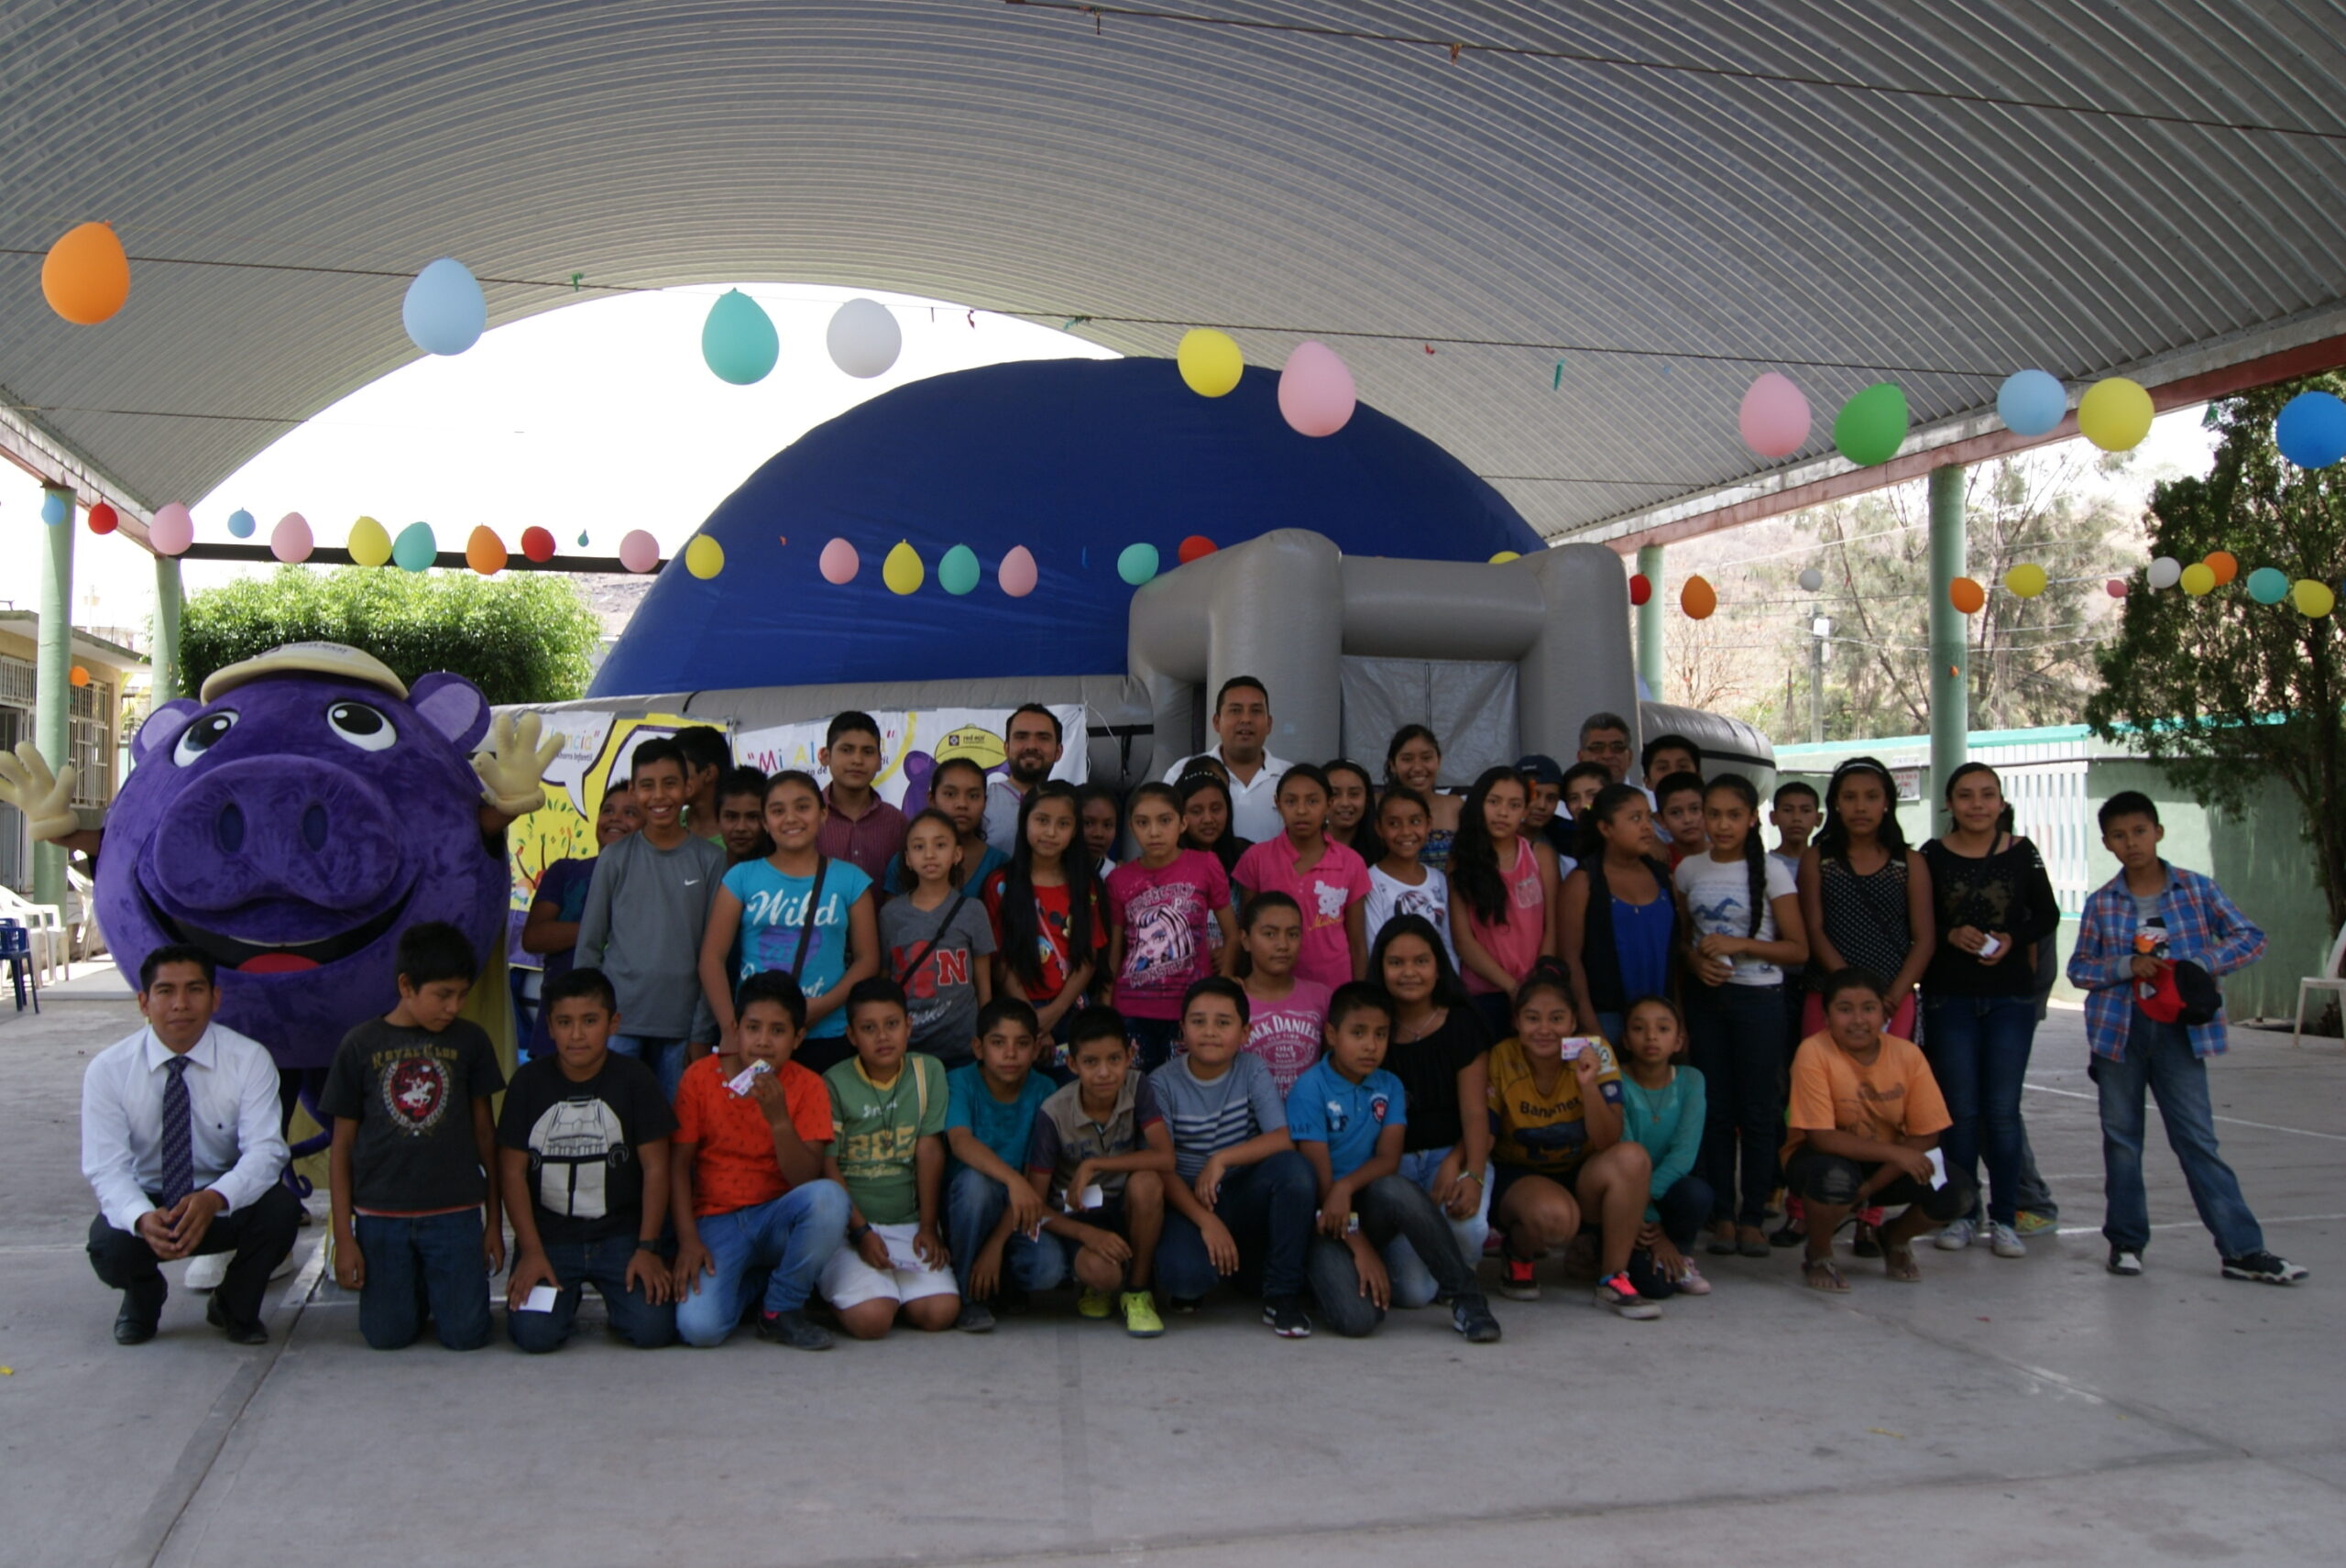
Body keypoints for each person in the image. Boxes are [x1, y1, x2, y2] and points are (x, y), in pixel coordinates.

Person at [2068, 793, 2306, 1285]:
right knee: (2122, 1141)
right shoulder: (2102, 903)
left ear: (2158, 832)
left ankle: (2242, 1250)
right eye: (2119, 836)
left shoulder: (2196, 890)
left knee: (2197, 1139)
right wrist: (2125, 965)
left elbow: (2250, 937)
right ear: (2107, 844)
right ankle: (2126, 1243)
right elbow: (2079, 969)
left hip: (2181, 1033)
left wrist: (2199, 964)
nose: (2131, 843)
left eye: (2139, 831)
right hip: (2119, 1033)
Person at [82, 945, 301, 1346]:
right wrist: (139, 1217)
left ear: (215, 998)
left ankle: (234, 1305)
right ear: (143, 1002)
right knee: (108, 1245)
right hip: (151, 1199)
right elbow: (106, 1167)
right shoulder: (108, 1070)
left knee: (280, 1212)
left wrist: (214, 1198)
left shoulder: (249, 1059)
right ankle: (144, 1297)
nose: (180, 1004)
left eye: (195, 990)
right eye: (165, 991)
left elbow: (266, 1152)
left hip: (220, 1198)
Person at [323, 921, 505, 1351]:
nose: (454, 1007)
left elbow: (486, 1136)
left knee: (466, 1336)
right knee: (387, 1336)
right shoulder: (359, 1045)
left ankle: (437, 1287)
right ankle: (414, 1289)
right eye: (443, 994)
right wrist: (345, 1238)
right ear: (406, 986)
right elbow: (341, 1148)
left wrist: (494, 1225)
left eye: (462, 995)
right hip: (381, 1218)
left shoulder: (471, 1042)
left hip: (455, 1216)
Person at [1287, 982, 1503, 1342]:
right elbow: (1323, 1187)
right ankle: (1326, 1277)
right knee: (1359, 1320)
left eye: (1381, 1034)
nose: (1371, 1045)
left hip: (1363, 1203)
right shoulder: (1310, 1088)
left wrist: (1346, 1186)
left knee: (1396, 1189)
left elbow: (1388, 1159)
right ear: (1332, 1035)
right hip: (1323, 1220)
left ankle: (1467, 1299)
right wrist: (1360, 1247)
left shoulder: (1389, 1086)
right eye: (1358, 1033)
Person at [1919, 762, 2060, 1258]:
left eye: (1986, 794)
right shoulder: (1931, 855)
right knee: (1959, 1112)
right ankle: (1962, 1213)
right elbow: (1919, 919)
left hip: (2010, 999)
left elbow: (2048, 914)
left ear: (2001, 802)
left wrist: (2011, 938)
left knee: (2002, 1112)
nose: (1976, 804)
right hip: (1949, 997)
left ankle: (2005, 1218)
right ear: (1949, 803)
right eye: (1965, 795)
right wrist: (1949, 934)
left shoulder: (2023, 852)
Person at [500, 967, 678, 1353]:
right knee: (535, 1336)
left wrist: (647, 1247)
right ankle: (563, 1296)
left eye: (590, 1021)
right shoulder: (528, 1083)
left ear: (613, 1023)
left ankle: (616, 1298)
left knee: (652, 1329)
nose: (577, 1035)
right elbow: (511, 1173)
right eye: (565, 1022)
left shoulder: (635, 1079)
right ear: (549, 1026)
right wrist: (530, 1251)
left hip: (620, 1236)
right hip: (550, 1239)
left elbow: (657, 1167)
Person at [668, 971, 849, 1350]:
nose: (764, 1041)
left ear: (798, 1038)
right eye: (753, 1028)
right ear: (735, 1030)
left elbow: (805, 1179)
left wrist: (779, 1120)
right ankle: (757, 1285)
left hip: (777, 1218)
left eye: (778, 1031)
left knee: (830, 1199)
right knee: (700, 1329)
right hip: (716, 1221)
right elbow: (678, 1165)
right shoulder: (699, 1079)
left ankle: (780, 1308)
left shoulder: (808, 1085)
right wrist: (687, 1240)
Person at [1676, 774, 1806, 1259]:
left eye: (1734, 815)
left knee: (1757, 1111)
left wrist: (1740, 945)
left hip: (1760, 1002)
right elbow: (1682, 941)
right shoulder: (1689, 869)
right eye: (1713, 814)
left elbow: (1798, 949)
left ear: (1752, 819)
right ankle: (1722, 1217)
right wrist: (1696, 962)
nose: (1722, 824)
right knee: (1714, 1109)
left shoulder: (1772, 871)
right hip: (1707, 1003)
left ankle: (1753, 1215)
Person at [1782, 967, 1973, 1292]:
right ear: (1826, 1017)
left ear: (1885, 1013)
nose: (1858, 1020)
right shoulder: (1813, 1052)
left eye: (1868, 1008)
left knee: (1959, 1192)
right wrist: (1896, 1154)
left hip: (1887, 1166)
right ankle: (1818, 1252)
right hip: (1823, 1157)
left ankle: (1894, 1237)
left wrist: (1871, 1186)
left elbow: (1927, 1133)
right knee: (1834, 1180)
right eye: (1845, 1009)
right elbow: (1821, 1137)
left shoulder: (1908, 1054)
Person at [1484, 965, 1658, 1318]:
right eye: (1532, 1018)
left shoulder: (1596, 1051)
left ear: (1574, 1022)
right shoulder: (1502, 1056)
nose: (1544, 1029)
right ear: (1516, 1022)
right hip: (1520, 1174)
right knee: (1556, 1218)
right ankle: (1518, 1253)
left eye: (1557, 1018)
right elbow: (1486, 1133)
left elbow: (1608, 1139)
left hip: (1581, 1171)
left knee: (1633, 1158)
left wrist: (1587, 1086)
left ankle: (1613, 1278)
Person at [1151, 978, 1319, 1333]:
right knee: (1185, 1282)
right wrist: (1206, 1221)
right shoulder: (1161, 1083)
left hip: (1242, 1191)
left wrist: (1221, 1159)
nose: (1210, 1032)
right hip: (1189, 1199)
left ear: (1245, 1033)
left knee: (1295, 1170)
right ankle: (1219, 1262)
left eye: (1223, 1022)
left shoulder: (1251, 1068)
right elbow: (1162, 1168)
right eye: (1198, 1021)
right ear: (1182, 1029)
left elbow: (1282, 1139)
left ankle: (1281, 1296)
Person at [700, 770, 880, 1077]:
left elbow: (868, 959)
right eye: (777, 810)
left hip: (826, 1032)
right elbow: (711, 959)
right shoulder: (740, 878)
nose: (791, 818)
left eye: (802, 807)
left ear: (823, 814)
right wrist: (731, 1028)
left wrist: (820, 1007)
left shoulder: (850, 880)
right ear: (765, 822)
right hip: (756, 1035)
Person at [573, 736, 724, 1098]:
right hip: (618, 1022)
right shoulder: (614, 858)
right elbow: (589, 945)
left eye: (670, 784)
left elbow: (713, 954)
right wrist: (588, 1018)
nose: (659, 796)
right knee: (614, 1116)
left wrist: (701, 1030)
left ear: (687, 787)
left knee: (674, 1121)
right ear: (633, 790)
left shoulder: (710, 860)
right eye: (647, 785)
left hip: (681, 1027)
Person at [818, 978, 960, 1336]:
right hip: (851, 1228)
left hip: (907, 1223)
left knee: (941, 1313)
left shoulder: (928, 1071)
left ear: (908, 1026)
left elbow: (929, 1148)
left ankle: (888, 1291)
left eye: (892, 1024)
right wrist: (862, 1233)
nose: (882, 1036)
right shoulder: (833, 1082)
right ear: (851, 1036)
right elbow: (827, 1164)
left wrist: (928, 1226)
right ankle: (854, 1294)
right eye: (868, 1028)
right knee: (872, 1320)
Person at [1368, 916, 1494, 1310]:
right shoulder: (1371, 1029)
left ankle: (1459, 1270)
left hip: (1452, 1155)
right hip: (1395, 1170)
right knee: (1413, 1293)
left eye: (1420, 961)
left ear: (1439, 967)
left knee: (1469, 1229)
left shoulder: (1462, 1022)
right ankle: (1435, 1269)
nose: (1409, 972)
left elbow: (1476, 1112)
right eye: (1396, 962)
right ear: (1380, 968)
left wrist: (1469, 1171)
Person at [1026, 1007, 1173, 1335]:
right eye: (1091, 1062)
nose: (1104, 1073)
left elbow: (1165, 1158)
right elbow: (1036, 1205)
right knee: (1103, 1274)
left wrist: (1094, 1164)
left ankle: (1137, 1291)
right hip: (1076, 1216)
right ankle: (1098, 1283)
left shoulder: (1137, 1086)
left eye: (1114, 1059)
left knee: (1148, 1183)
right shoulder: (1054, 1112)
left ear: (1129, 1056)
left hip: (1123, 1207)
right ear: (1072, 1064)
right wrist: (1086, 1235)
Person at [940, 998, 1062, 1332]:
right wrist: (1013, 1180)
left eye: (1021, 1044)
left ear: (1036, 1049)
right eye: (998, 1043)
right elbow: (960, 1141)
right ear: (978, 1048)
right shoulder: (960, 1081)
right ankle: (967, 1296)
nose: (1010, 1054)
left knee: (1049, 1267)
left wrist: (995, 1245)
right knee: (977, 1186)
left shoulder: (1044, 1090)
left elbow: (1034, 1180)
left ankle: (1000, 1281)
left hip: (1018, 1212)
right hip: (965, 1211)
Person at [1798, 756, 1933, 1041]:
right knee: (1822, 1068)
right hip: (1827, 992)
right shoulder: (1817, 860)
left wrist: (1892, 996)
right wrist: (1854, 991)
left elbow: (1924, 939)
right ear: (1835, 803)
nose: (1860, 807)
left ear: (1886, 803)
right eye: (1849, 797)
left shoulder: (1909, 863)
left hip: (1892, 997)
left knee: (1889, 1070)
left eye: (1871, 797)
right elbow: (1813, 930)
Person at [1105, 783, 1238, 1069]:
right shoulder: (1118, 879)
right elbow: (1115, 952)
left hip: (1191, 1007)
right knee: (1136, 1088)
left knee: (1185, 1085)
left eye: (1164, 820)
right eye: (1143, 822)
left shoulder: (1205, 865)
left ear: (1182, 823)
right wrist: (1105, 1008)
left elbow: (1231, 934)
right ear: (1131, 827)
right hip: (1132, 1009)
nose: (1154, 832)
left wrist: (1222, 987)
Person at [520, 782, 641, 1059]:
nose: (615, 818)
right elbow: (533, 937)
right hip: (560, 1023)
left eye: (630, 813)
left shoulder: (654, 881)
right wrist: (602, 928)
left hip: (627, 1024)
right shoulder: (565, 871)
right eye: (608, 810)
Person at [984, 780, 1107, 1048]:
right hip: (1018, 1010)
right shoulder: (1000, 884)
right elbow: (999, 960)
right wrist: (1032, 1018)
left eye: (1063, 824)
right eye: (1042, 820)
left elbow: (1089, 957)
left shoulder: (1085, 885)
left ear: (1074, 831)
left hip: (1071, 1008)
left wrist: (1055, 1011)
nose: (1051, 832)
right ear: (1024, 821)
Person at [1559, 784, 1679, 1046]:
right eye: (1635, 818)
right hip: (1607, 1018)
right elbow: (1570, 959)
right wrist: (1592, 1027)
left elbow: (1676, 952)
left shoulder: (1662, 877)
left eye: (1648, 817)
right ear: (1606, 828)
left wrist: (1678, 1020)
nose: (1646, 827)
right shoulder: (1583, 882)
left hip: (1662, 1019)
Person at [1449, 765, 1563, 1037]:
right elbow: (1463, 940)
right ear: (1479, 805)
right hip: (1485, 993)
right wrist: (1512, 988)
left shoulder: (1540, 855)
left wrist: (1538, 983)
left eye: (1514, 805)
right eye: (1494, 802)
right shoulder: (1461, 860)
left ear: (1524, 811)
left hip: (1537, 990)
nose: (1503, 813)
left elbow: (1552, 927)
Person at [1233, 764, 1370, 992]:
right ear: (1278, 804)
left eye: (1312, 801)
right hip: (1270, 990)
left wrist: (1357, 996)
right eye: (1291, 801)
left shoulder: (1351, 862)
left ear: (1329, 803)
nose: (1302, 810)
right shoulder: (1256, 859)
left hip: (1334, 989)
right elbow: (1247, 931)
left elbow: (1357, 943)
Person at [881, 808, 997, 1066]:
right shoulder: (891, 914)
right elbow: (885, 980)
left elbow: (983, 986)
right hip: (907, 1049)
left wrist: (985, 1036)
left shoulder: (973, 910)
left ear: (957, 854)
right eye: (919, 847)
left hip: (962, 1048)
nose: (930, 854)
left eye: (940, 845)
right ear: (907, 859)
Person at [1617, 996, 1711, 1298]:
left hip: (1660, 1195)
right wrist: (1643, 1219)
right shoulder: (1615, 1080)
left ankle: (1680, 1253)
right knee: (1657, 1288)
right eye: (1639, 1028)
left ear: (1678, 1041)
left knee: (1696, 1193)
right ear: (1625, 1039)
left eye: (1663, 1028)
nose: (1651, 1037)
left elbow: (1683, 1156)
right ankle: (1616, 1252)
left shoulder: (1691, 1080)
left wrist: (1652, 1219)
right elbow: (1623, 1154)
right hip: (1622, 1200)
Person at [1160, 677, 1291, 842]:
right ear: (1216, 722)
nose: (1246, 719)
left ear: (1269, 724)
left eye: (1256, 711)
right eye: (1235, 710)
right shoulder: (1182, 772)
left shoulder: (1290, 777)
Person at [1235, 892, 1329, 1095]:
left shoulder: (1321, 997)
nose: (1283, 945)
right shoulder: (1231, 1000)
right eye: (1269, 934)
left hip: (1309, 1113)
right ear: (1245, 940)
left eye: (1292, 934)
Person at [882, 756, 1009, 896]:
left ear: (985, 802)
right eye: (950, 794)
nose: (962, 804)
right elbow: (893, 909)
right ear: (932, 800)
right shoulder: (905, 862)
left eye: (973, 796)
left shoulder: (1000, 864)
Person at [1364, 786, 1457, 964]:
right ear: (1379, 828)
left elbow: (1448, 944)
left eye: (1415, 821)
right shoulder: (1371, 882)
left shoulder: (1438, 879)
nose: (1406, 831)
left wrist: (1451, 980)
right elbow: (1374, 947)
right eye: (1393, 824)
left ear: (1428, 824)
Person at [817, 710, 908, 886]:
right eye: (846, 750)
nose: (857, 760)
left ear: (880, 761)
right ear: (826, 757)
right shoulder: (806, 818)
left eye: (867, 752)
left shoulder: (897, 822)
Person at [985, 703, 1068, 852]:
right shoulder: (982, 803)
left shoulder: (1072, 806)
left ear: (1058, 751)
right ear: (1006, 748)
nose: (1031, 746)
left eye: (1043, 738)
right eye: (1021, 737)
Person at [1383, 725, 1463, 870]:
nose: (1418, 767)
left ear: (1438, 760)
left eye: (1426, 758)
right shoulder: (1380, 807)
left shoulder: (1455, 806)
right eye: (1407, 759)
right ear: (1392, 764)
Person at [1176, 767, 1251, 875]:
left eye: (1215, 809)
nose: (1208, 819)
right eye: (1196, 811)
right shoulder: (1166, 860)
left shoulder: (1246, 854)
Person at [673, 723, 733, 842]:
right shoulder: (668, 826)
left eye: (680, 768)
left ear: (709, 773)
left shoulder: (738, 838)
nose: (670, 779)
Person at [1322, 758, 1384, 866]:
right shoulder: (1305, 848)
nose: (1345, 803)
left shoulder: (1383, 851)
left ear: (1367, 800)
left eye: (1354, 794)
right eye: (1335, 794)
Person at [1516, 752, 1573, 860]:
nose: (1542, 805)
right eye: (1534, 795)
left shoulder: (1565, 838)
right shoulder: (1488, 838)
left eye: (1551, 798)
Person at [713, 765, 773, 867]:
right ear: (717, 819)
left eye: (752, 817)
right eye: (731, 817)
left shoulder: (786, 872)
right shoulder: (703, 868)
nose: (741, 828)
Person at [1650, 771, 1706, 867]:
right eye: (1675, 813)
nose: (1688, 820)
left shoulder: (1726, 854)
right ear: (1661, 820)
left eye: (1695, 809)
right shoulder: (1659, 861)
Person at [1769, 779, 1819, 877]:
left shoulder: (1828, 867)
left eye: (1806, 811)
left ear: (1818, 819)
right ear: (1773, 817)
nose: (1796, 818)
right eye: (1787, 810)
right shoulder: (1761, 865)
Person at [1077, 781, 1124, 873]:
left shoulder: (1113, 876)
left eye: (1107, 825)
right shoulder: (1048, 869)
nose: (1099, 834)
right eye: (1088, 823)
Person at [1575, 711, 1635, 784]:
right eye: (1597, 748)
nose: (1607, 756)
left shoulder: (1645, 792)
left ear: (1630, 757)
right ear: (1581, 758)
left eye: (1617, 747)